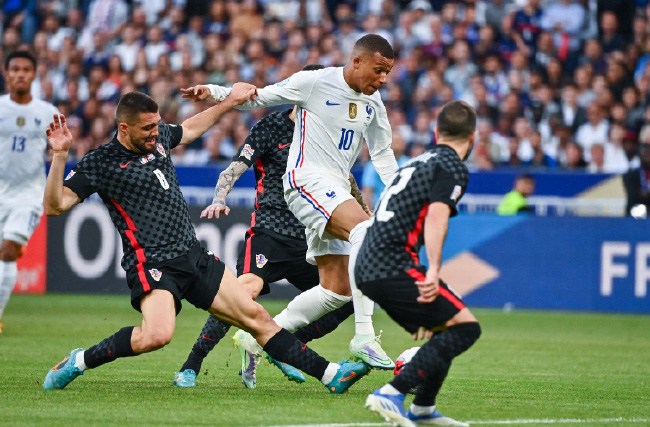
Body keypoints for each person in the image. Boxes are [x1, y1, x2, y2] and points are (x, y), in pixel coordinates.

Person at [41, 89, 370, 393]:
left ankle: (331, 374)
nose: (155, 133)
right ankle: (79, 361)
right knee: (157, 335)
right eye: (146, 129)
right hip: (153, 263)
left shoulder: (158, 139)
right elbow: (55, 205)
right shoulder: (102, 162)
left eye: (157, 125)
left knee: (256, 319)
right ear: (124, 129)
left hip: (193, 254)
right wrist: (59, 156)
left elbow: (191, 129)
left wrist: (228, 103)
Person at [182, 34, 399, 370]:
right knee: (367, 235)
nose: (383, 78)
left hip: (333, 192)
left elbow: (382, 152)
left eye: (388, 72)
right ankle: (364, 339)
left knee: (336, 292)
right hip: (305, 181)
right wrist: (214, 91)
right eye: (379, 69)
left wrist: (401, 188)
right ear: (357, 61)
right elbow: (257, 98)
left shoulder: (374, 103)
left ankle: (256, 338)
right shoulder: (315, 82)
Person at [358, 100, 481, 427]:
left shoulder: (417, 161)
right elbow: (437, 218)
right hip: (391, 262)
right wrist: (434, 272)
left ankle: (424, 408)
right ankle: (391, 393)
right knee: (468, 327)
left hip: (371, 262)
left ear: (436, 132)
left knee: (447, 325)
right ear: (473, 138)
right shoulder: (452, 166)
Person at [0, 51, 59, 334]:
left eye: (26, 69)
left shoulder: (47, 113)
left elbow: (60, 150)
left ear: (34, 74)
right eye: (15, 69)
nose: (20, 74)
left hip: (28, 195)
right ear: (6, 73)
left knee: (10, 250)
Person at [623, 143, 650, 217]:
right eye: (644, 153)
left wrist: (646, 194)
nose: (647, 156)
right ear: (639, 155)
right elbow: (632, 195)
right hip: (635, 209)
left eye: (648, 153)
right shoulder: (632, 174)